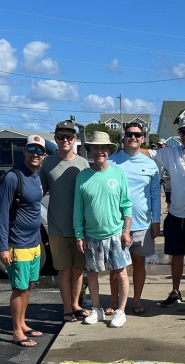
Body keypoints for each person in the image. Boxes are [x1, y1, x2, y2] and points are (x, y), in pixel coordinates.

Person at [147, 115, 185, 307]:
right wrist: (125, 148)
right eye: (182, 132)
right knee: (176, 256)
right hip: (176, 215)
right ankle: (175, 291)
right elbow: (146, 153)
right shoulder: (171, 152)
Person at [73, 131, 132, 328]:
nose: (99, 151)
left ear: (108, 150)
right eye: (96, 148)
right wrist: (79, 235)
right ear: (90, 150)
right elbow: (78, 209)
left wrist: (126, 231)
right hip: (91, 235)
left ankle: (121, 311)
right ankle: (97, 309)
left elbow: (126, 205)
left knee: (121, 273)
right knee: (92, 274)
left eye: (103, 148)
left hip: (115, 234)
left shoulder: (118, 174)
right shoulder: (83, 177)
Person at [0, 134, 45, 346]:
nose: (35, 154)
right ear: (24, 151)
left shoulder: (36, 175)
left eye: (40, 151)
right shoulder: (13, 178)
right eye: (31, 149)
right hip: (18, 244)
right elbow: (1, 214)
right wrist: (3, 247)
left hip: (34, 242)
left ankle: (23, 323)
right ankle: (17, 331)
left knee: (29, 285)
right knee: (19, 288)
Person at [39, 119, 90, 322]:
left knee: (78, 270)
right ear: (56, 138)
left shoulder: (83, 164)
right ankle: (67, 308)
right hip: (57, 227)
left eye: (69, 136)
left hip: (80, 228)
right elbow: (38, 191)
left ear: (74, 138)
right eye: (61, 136)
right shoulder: (47, 163)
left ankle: (76, 304)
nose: (65, 140)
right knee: (64, 270)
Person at [108, 122, 161, 314]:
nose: (133, 137)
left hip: (142, 225)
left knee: (139, 264)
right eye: (129, 134)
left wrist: (156, 221)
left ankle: (136, 300)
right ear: (124, 137)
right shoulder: (111, 162)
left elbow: (155, 195)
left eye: (137, 135)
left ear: (143, 138)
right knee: (116, 267)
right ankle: (113, 301)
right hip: (116, 225)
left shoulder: (151, 165)